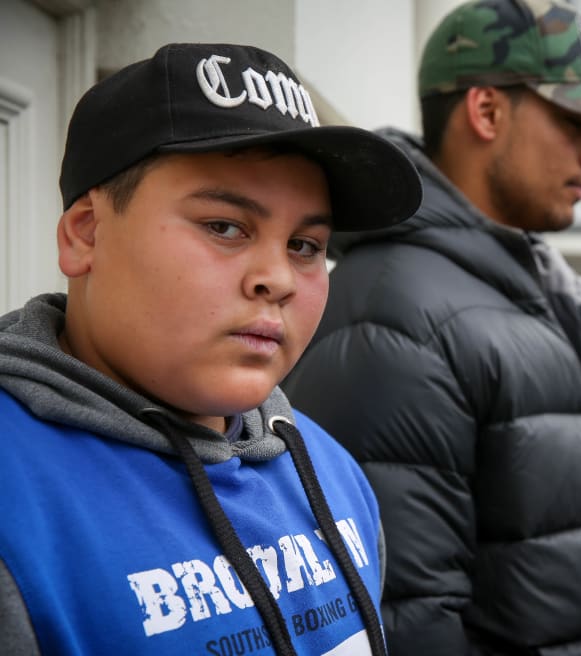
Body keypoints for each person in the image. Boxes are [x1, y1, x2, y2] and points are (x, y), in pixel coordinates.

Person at [0, 42, 423, 655]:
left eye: (306, 245)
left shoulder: (334, 476)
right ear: (85, 234)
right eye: (225, 226)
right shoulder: (17, 500)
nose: (276, 277)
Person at [281, 1, 581, 654]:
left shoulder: (517, 286)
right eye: (575, 122)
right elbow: (405, 615)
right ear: (486, 111)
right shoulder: (397, 313)